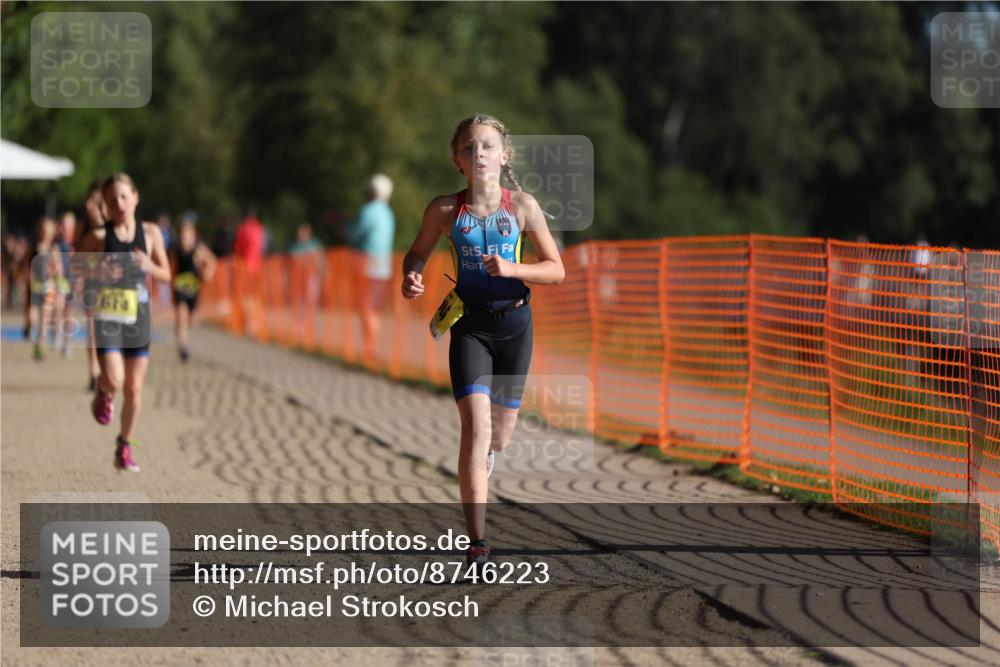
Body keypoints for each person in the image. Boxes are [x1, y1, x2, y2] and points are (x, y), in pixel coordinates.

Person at [401, 114, 564, 569]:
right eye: (470, 149)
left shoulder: (523, 207)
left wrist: (514, 270)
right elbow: (417, 252)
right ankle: (478, 544)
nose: (480, 156)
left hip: (515, 326)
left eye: (488, 147)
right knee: (476, 428)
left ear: (504, 155)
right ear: (458, 160)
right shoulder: (444, 211)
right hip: (470, 327)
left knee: (501, 437)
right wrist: (411, 275)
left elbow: (556, 269)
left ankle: (488, 460)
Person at [83, 173, 171, 472]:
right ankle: (103, 389)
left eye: (124, 196)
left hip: (139, 318)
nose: (119, 203)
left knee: (134, 388)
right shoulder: (97, 237)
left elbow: (167, 274)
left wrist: (148, 266)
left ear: (135, 197)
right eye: (112, 199)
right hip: (108, 317)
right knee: (116, 380)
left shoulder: (150, 234)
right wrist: (101, 275)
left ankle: (124, 446)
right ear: (105, 206)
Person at [345, 174, 396, 366]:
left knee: (365, 307)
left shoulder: (368, 211)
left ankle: (369, 348)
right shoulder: (388, 213)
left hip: (366, 266)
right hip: (383, 268)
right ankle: (371, 347)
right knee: (375, 308)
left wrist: (341, 225)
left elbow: (353, 234)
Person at [171, 216, 217, 362]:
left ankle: (184, 338)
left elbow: (212, 261)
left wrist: (207, 275)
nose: (184, 239)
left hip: (193, 288)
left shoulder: (198, 249)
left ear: (193, 235)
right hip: (179, 287)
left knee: (189, 319)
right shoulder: (175, 249)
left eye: (187, 236)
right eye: (182, 236)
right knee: (181, 314)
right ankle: (182, 346)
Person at [26, 216, 62, 360]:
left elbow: (58, 268)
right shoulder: (33, 246)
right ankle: (30, 329)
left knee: (44, 318)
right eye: (43, 229)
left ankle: (39, 347)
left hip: (49, 287)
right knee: (32, 316)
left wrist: (55, 278)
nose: (45, 233)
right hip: (35, 287)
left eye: (48, 230)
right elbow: (27, 265)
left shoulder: (54, 248)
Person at [233, 207, 265, 335]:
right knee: (255, 295)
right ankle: (256, 322)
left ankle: (250, 323)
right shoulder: (260, 228)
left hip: (246, 266)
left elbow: (239, 247)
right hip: (258, 265)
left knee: (246, 295)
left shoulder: (244, 228)